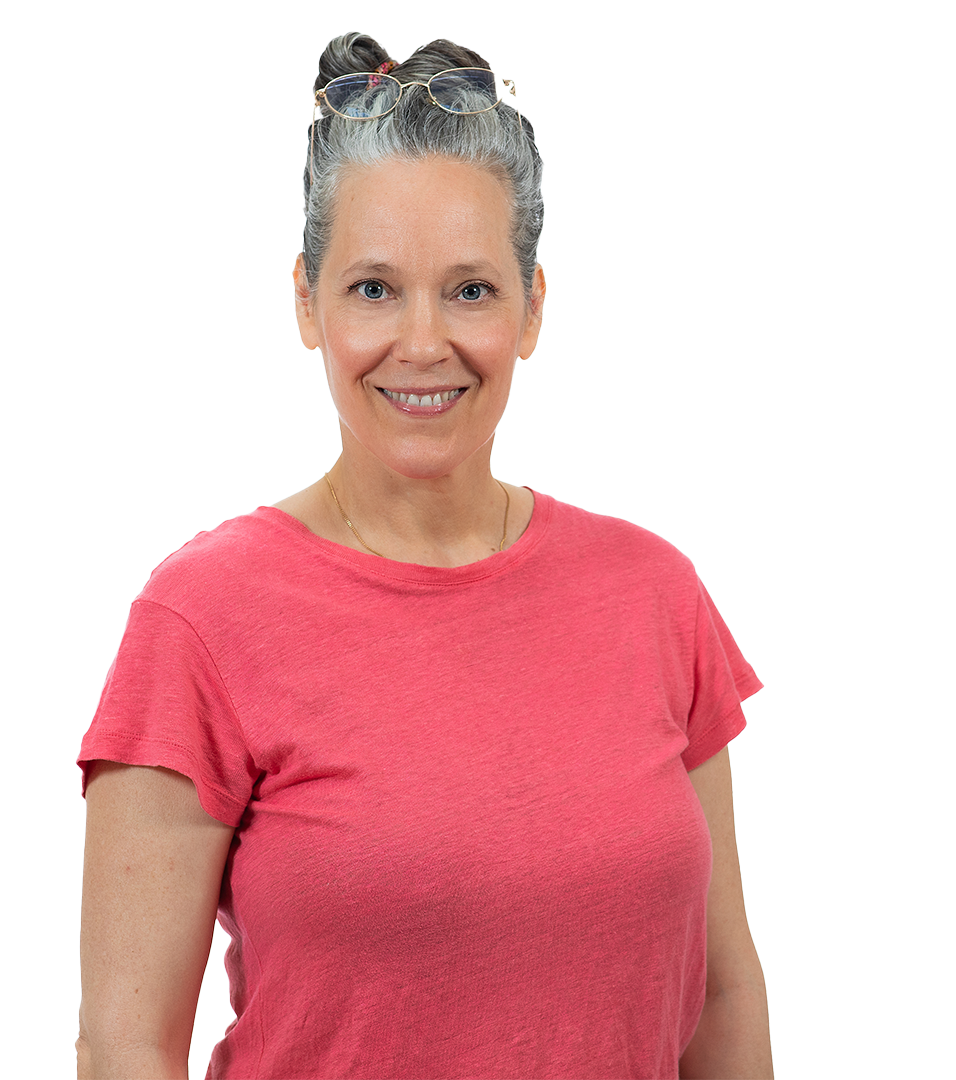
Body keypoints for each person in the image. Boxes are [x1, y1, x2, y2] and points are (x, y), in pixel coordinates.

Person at [77, 31, 773, 1080]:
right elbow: (124, 1047)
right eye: (372, 288)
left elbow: (722, 995)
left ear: (533, 306)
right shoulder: (201, 620)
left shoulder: (654, 595)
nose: (421, 341)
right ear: (305, 300)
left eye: (471, 289)